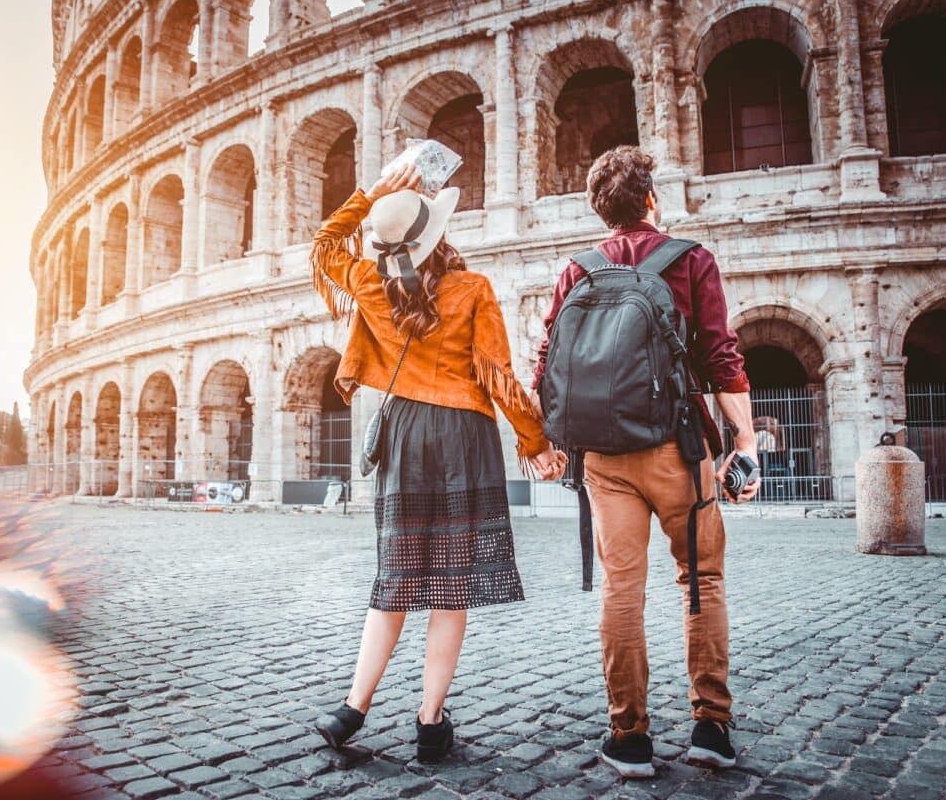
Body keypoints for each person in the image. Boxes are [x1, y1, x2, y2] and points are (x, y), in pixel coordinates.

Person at [310, 163, 567, 763]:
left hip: (406, 432)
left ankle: (353, 709)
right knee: (450, 588)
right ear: (439, 234)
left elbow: (323, 247)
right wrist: (537, 444)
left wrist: (371, 196)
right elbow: (500, 380)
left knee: (395, 579)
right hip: (462, 436)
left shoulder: (372, 285)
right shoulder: (472, 288)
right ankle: (430, 722)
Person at [531, 146, 758, 777]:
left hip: (603, 457)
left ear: (600, 211)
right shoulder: (690, 259)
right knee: (701, 582)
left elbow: (546, 362)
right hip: (679, 451)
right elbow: (721, 357)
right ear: (652, 199)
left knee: (621, 591)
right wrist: (743, 446)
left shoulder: (576, 270)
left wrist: (548, 444)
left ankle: (628, 736)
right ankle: (711, 726)